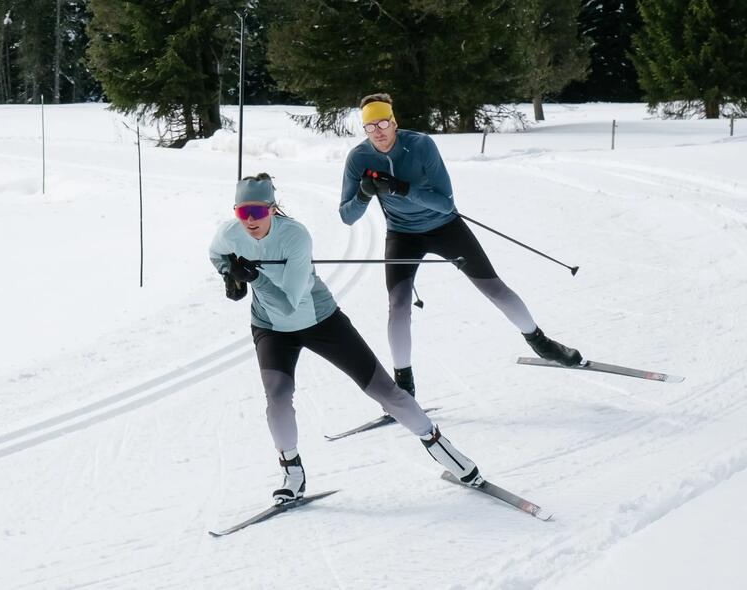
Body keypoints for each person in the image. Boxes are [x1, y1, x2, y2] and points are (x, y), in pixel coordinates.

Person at [213, 173, 485, 503]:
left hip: (319, 319)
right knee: (278, 398)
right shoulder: (230, 232)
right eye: (243, 213)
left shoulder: (295, 237)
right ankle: (292, 473)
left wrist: (255, 277)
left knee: (385, 390)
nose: (250, 221)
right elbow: (216, 253)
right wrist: (230, 274)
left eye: (258, 212)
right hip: (270, 327)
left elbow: (290, 303)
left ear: (272, 209)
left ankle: (443, 448)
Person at [338, 93, 582, 399]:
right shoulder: (358, 159)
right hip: (402, 235)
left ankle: (542, 343)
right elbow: (347, 216)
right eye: (371, 126)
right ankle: (404, 388)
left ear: (394, 122)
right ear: (365, 130)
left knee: (495, 289)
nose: (379, 131)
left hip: (445, 227)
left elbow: (445, 202)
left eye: (384, 122)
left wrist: (402, 189)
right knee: (398, 307)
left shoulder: (421, 145)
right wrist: (363, 194)